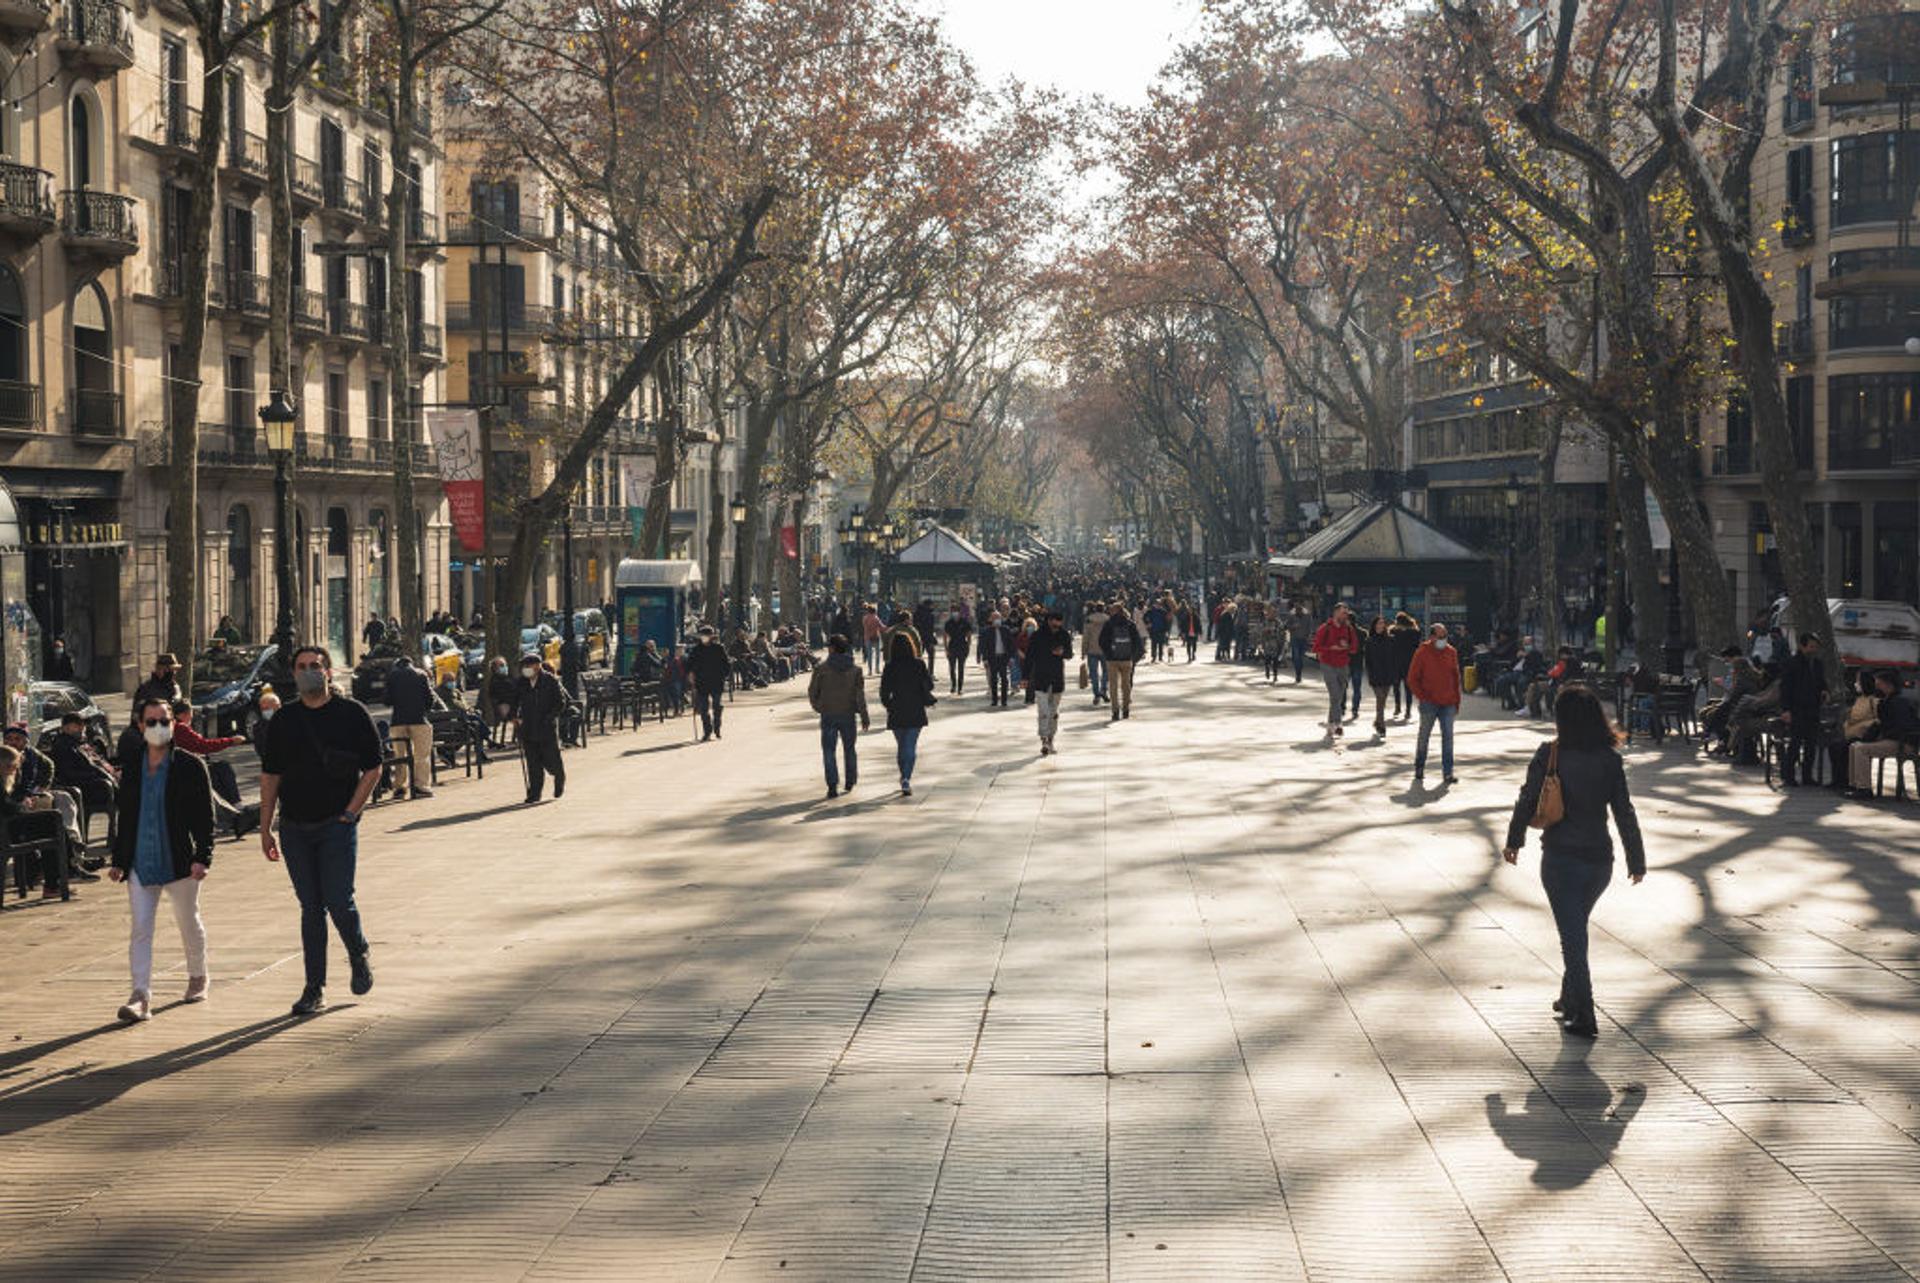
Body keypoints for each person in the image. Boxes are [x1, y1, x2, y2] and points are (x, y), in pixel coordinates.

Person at [1502, 684, 1646, 1039]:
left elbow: (1527, 798)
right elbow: (1624, 811)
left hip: (1561, 858)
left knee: (1573, 940)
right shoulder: (1610, 759)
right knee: (1575, 928)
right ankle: (1569, 998)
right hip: (1600, 861)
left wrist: (1514, 839)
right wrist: (1636, 858)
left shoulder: (1550, 753)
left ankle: (1584, 1014)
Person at [259, 645, 384, 1017]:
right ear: (293, 674)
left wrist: (351, 812)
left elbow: (374, 767)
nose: (308, 671)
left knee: (338, 900)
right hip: (295, 828)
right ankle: (314, 988)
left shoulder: (351, 713)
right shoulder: (284, 720)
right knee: (310, 908)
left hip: (336, 825)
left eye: (315, 665)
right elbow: (270, 776)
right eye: (301, 667)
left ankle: (358, 952)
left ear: (328, 672)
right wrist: (265, 828)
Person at [105, 698, 216, 1022]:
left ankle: (198, 976)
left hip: (179, 860)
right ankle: (140, 996)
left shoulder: (190, 765)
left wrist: (203, 856)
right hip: (141, 861)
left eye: (164, 721)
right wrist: (119, 860)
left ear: (174, 724)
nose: (158, 727)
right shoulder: (132, 766)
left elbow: (204, 817)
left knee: (187, 920)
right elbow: (127, 816)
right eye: (151, 721)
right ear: (140, 725)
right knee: (141, 928)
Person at [0, 745, 75, 900]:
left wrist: (22, 804)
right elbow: (6, 807)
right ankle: (59, 878)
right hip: (9, 831)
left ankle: (60, 875)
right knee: (52, 823)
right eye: (14, 766)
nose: (15, 770)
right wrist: (23, 806)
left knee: (52, 823)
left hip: (10, 826)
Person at [808, 633, 869, 798]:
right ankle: (850, 780)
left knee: (829, 751)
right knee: (849, 749)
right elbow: (860, 696)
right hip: (848, 713)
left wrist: (819, 707)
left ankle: (832, 785)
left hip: (828, 713)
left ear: (832, 649)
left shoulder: (821, 669)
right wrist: (864, 716)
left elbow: (812, 691)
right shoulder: (855, 670)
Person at [1845, 671, 1919, 800]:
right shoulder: (1887, 701)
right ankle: (1854, 785)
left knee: (1861, 749)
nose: (1877, 687)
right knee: (1854, 746)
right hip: (1892, 740)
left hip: (1902, 743)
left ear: (1888, 685)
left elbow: (1901, 726)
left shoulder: (1898, 703)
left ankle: (1864, 788)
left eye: (1879, 684)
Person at [880, 631, 935, 796]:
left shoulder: (890, 666)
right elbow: (929, 685)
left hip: (897, 709)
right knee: (910, 745)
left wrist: (888, 704)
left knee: (901, 745)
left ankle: (903, 774)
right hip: (915, 708)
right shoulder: (919, 664)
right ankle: (906, 777)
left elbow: (884, 690)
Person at [1408, 622, 1463, 785]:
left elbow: (1456, 678)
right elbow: (1412, 678)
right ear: (1432, 637)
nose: (1443, 639)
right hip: (1429, 703)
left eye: (1445, 636)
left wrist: (1457, 700)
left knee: (1448, 738)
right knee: (1424, 735)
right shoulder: (1422, 652)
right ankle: (1419, 767)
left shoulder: (1451, 652)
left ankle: (1448, 772)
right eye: (1440, 636)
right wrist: (1423, 697)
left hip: (1448, 702)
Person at [513, 653, 571, 803]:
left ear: (537, 666)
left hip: (546, 727)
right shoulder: (521, 682)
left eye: (529, 665)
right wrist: (514, 716)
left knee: (551, 759)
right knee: (533, 762)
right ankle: (534, 793)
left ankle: (559, 776)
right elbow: (515, 701)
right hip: (528, 726)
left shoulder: (550, 680)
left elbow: (560, 702)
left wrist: (550, 717)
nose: (526, 668)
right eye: (524, 666)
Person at [1776, 632, 1828, 786]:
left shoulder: (1817, 664)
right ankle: (1789, 775)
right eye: (1811, 647)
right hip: (1797, 709)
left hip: (1813, 709)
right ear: (1802, 646)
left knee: (1811, 745)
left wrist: (1825, 691)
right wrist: (1786, 709)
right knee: (1795, 743)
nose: (1813, 650)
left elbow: (1821, 682)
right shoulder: (1792, 663)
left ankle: (1807, 776)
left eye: (1815, 647)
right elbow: (1785, 688)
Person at [384, 655, 435, 800]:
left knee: (400, 756)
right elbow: (430, 699)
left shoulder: (392, 676)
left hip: (398, 721)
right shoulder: (421, 675)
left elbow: (387, 700)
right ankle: (421, 786)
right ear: (411, 664)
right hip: (419, 720)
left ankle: (400, 787)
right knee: (422, 755)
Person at [1024, 610, 1073, 755]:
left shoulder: (1064, 635)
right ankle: (1044, 738)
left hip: (1057, 677)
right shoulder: (1037, 636)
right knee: (1043, 711)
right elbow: (1029, 657)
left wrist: (1062, 653)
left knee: (1054, 712)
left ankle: (1051, 737)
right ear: (1049, 621)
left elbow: (1069, 654)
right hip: (1041, 677)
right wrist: (1025, 677)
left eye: (1059, 622)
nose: (1057, 625)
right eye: (1055, 622)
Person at [1311, 604, 1359, 737]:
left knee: (1338, 697)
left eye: (1347, 613)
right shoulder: (1324, 628)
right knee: (1335, 694)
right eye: (1343, 613)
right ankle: (1338, 723)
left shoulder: (1349, 629)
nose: (1346, 616)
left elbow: (1354, 648)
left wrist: (1347, 646)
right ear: (1336, 613)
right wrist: (1330, 648)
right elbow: (1315, 648)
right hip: (1328, 664)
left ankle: (1330, 723)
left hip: (1343, 665)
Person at [1098, 599, 1144, 721]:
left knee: (1113, 686)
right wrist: (1133, 657)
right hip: (1127, 659)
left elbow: (1101, 641)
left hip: (1112, 660)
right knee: (1126, 685)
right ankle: (1126, 709)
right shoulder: (1130, 624)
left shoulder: (1108, 624)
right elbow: (1138, 643)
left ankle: (1115, 711)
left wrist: (1108, 654)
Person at [687, 625, 732, 741]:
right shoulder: (696, 650)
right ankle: (707, 731)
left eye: (706, 636)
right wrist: (691, 674)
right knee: (704, 709)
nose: (704, 638)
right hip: (702, 682)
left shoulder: (718, 648)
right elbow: (689, 664)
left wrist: (723, 676)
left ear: (711, 637)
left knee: (717, 706)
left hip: (716, 682)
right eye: (702, 636)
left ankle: (717, 727)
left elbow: (726, 664)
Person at [1362, 616, 1399, 735]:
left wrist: (1395, 673)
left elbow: (1395, 658)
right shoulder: (1369, 641)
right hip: (1376, 674)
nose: (1381, 625)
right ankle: (1381, 725)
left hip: (1388, 674)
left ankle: (1377, 721)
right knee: (1380, 697)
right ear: (1374, 625)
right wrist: (1369, 674)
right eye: (1378, 623)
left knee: (1382, 700)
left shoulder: (1391, 640)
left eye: (1382, 623)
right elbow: (1367, 660)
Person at [979, 610, 1016, 707]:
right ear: (991, 619)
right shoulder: (987, 631)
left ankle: (1004, 700)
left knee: (1004, 679)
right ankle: (994, 700)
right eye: (994, 618)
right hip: (993, 658)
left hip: (1003, 658)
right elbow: (983, 646)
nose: (997, 620)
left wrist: (1011, 657)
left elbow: (1011, 644)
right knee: (994, 679)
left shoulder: (1006, 630)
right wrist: (985, 659)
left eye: (998, 618)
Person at [1081, 600, 1110, 707]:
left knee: (1093, 673)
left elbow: (1086, 636)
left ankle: (1096, 693)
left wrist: (1083, 651)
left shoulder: (1089, 620)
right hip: (1105, 650)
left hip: (1092, 649)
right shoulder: (1108, 619)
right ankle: (1103, 689)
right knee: (1106, 672)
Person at [942, 606, 973, 696]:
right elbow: (945, 636)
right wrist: (946, 649)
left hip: (962, 646)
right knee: (952, 668)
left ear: (960, 612)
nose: (955, 613)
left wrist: (968, 646)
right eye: (953, 611)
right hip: (952, 646)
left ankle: (960, 687)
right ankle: (953, 685)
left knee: (961, 668)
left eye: (956, 611)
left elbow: (969, 635)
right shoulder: (949, 623)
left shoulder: (965, 622)